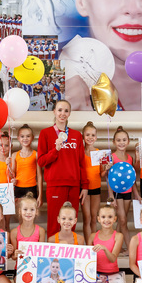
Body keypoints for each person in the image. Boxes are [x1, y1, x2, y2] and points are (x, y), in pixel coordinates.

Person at [37, 100, 88, 236]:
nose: (62, 113)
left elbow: (81, 162)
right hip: (55, 184)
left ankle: (68, 249)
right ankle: (53, 250)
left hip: (74, 185)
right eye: (59, 110)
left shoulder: (76, 135)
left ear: (69, 113)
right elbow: (41, 161)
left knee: (70, 224)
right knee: (54, 224)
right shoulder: (45, 133)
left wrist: (85, 186)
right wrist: (55, 150)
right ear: (54, 111)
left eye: (66, 111)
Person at [107, 126, 140, 251]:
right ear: (114, 142)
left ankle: (116, 246)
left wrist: (136, 194)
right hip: (117, 193)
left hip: (128, 193)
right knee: (123, 220)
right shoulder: (112, 157)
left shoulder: (130, 158)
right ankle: (131, 249)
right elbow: (108, 178)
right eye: (118, 140)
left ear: (128, 141)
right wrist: (111, 197)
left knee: (122, 221)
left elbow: (132, 179)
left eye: (124, 140)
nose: (121, 143)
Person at [89, 204, 123, 283]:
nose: (106, 220)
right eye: (103, 217)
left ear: (115, 219)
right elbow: (89, 259)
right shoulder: (92, 236)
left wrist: (104, 248)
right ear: (98, 219)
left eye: (110, 217)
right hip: (98, 273)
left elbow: (113, 259)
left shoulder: (118, 236)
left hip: (112, 273)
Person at [82, 121, 105, 242]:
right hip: (84, 189)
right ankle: (87, 245)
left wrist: (106, 168)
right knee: (87, 218)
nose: (90, 137)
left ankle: (93, 245)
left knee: (94, 218)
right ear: (83, 136)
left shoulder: (98, 152)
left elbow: (101, 174)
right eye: (87, 135)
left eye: (93, 135)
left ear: (96, 137)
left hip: (96, 188)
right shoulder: (80, 152)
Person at [12, 124, 43, 208]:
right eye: (22, 136)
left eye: (28, 136)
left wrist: (40, 195)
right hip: (18, 188)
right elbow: (12, 174)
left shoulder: (36, 154)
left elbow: (39, 176)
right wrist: (8, 166)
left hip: (31, 188)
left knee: (30, 213)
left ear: (32, 137)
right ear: (18, 138)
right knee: (20, 213)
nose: (25, 138)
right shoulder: (14, 155)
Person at [0, 132, 15, 230]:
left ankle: (8, 239)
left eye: (6, 145)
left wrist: (9, 166)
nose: (3, 148)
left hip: (8, 194)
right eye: (1, 145)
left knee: (7, 222)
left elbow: (13, 177)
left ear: (11, 147)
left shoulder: (13, 161)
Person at [11, 192, 46, 258]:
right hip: (20, 264)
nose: (28, 212)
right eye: (25, 209)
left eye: (32, 209)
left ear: (36, 212)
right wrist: (15, 255)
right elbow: (13, 257)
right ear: (20, 211)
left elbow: (41, 254)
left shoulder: (41, 231)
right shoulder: (14, 232)